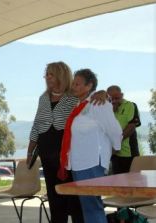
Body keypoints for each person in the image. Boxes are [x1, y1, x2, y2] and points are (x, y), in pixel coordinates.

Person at [58, 69, 122, 223]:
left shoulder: (99, 103)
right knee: (87, 207)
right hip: (78, 163)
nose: (73, 86)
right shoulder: (79, 106)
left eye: (77, 83)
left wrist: (111, 149)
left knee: (93, 206)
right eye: (73, 83)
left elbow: (115, 131)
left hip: (92, 162)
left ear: (89, 85)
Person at [27, 62, 86, 223]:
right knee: (54, 196)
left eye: (50, 74)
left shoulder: (74, 97)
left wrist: (102, 93)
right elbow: (37, 124)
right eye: (46, 74)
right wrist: (30, 150)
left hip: (67, 155)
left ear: (61, 75)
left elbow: (93, 95)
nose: (46, 77)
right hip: (46, 153)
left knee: (73, 197)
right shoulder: (43, 98)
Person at [107, 85, 141, 174]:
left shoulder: (131, 105)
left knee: (133, 182)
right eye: (111, 99)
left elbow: (131, 127)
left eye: (116, 98)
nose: (114, 101)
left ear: (122, 95)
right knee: (118, 183)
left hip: (129, 153)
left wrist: (116, 142)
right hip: (114, 154)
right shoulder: (107, 108)